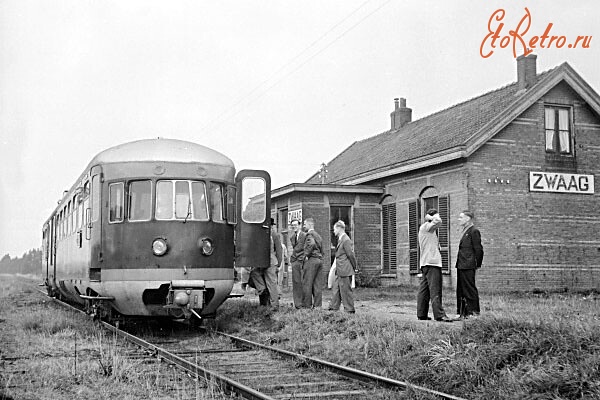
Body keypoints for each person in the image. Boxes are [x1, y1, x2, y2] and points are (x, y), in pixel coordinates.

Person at [416, 209, 453, 322]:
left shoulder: (426, 229)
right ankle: (439, 314)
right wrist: (431, 217)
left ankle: (421, 313)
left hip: (425, 263)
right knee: (435, 289)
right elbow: (438, 221)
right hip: (432, 263)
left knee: (424, 290)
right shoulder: (427, 227)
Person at [455, 210, 484, 319]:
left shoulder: (474, 231)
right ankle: (463, 313)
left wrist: (477, 264)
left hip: (468, 264)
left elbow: (478, 249)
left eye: (461, 217)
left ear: (467, 219)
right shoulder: (465, 231)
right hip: (461, 264)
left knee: (469, 289)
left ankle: (474, 312)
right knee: (461, 289)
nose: (459, 219)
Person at [249, 222, 282, 311]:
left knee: (271, 283)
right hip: (261, 262)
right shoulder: (260, 234)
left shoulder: (274, 234)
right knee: (254, 273)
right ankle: (262, 289)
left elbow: (279, 249)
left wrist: (279, 262)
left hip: (270, 261)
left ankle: (274, 306)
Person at [328, 221, 357, 313]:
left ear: (340, 228)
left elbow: (350, 255)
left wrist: (354, 267)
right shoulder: (341, 239)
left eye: (335, 229)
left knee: (345, 290)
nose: (334, 231)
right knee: (336, 288)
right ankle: (333, 307)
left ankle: (349, 310)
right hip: (340, 269)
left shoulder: (346, 240)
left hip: (345, 269)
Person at [302, 217, 323, 309]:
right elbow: (322, 248)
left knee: (307, 283)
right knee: (317, 284)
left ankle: (307, 306)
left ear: (310, 225)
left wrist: (306, 255)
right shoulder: (318, 235)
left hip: (311, 260)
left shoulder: (309, 234)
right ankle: (318, 305)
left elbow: (311, 244)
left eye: (305, 224)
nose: (303, 226)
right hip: (319, 260)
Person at [289, 218, 306, 308]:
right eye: (292, 226)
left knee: (302, 282)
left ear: (299, 225)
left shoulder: (304, 235)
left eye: (295, 225)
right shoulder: (292, 237)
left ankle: (304, 303)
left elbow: (305, 248)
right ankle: (297, 304)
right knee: (296, 282)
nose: (294, 227)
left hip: (302, 261)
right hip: (295, 262)